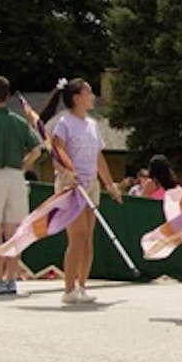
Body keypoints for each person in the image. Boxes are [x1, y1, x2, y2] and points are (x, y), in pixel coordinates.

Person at [40, 78, 125, 304]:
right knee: (76, 238)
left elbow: (98, 158)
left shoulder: (92, 125)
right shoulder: (65, 123)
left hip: (90, 185)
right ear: (77, 98)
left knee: (88, 238)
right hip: (72, 186)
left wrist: (110, 185)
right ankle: (68, 289)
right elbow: (56, 152)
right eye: (88, 92)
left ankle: (82, 285)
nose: (93, 96)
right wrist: (67, 173)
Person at [0, 76, 42, 296]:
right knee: (13, 230)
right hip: (15, 176)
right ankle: (11, 278)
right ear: (8, 95)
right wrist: (22, 167)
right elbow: (37, 150)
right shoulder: (19, 122)